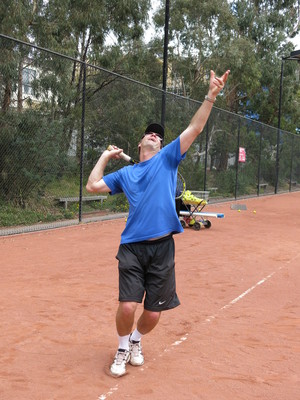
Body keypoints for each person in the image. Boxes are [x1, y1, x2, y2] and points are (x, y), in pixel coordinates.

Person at [86, 69, 230, 377]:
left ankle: (137, 341)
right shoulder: (126, 174)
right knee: (128, 306)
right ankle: (123, 347)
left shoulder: (167, 159)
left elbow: (195, 127)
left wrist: (211, 95)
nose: (155, 135)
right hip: (132, 248)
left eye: (159, 135)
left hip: (163, 248)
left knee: (152, 312)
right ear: (140, 143)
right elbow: (93, 186)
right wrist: (106, 156)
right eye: (150, 133)